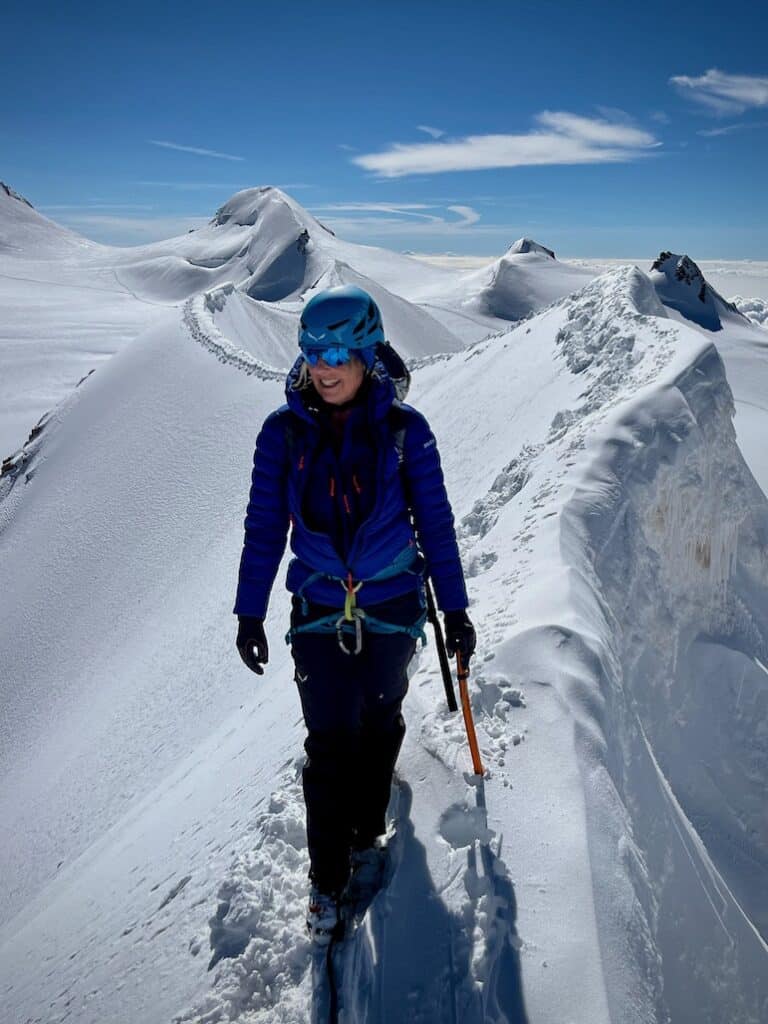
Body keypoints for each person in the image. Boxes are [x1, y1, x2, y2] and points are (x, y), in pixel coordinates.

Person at [234, 285, 475, 944]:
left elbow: (437, 525)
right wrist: (248, 611)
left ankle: (368, 827)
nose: (325, 364)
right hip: (317, 610)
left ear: (368, 351)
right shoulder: (281, 435)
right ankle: (326, 879)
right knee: (328, 744)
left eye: (339, 349)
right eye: (313, 349)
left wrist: (454, 609)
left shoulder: (405, 433)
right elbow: (263, 527)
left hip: (393, 606)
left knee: (380, 720)